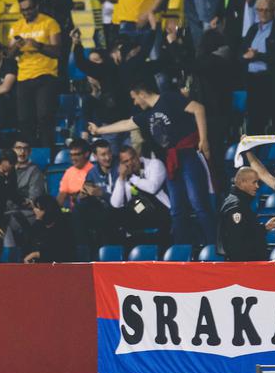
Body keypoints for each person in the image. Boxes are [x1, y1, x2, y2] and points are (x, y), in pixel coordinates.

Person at [88, 79, 216, 247]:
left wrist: (204, 139)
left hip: (188, 154)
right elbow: (126, 124)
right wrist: (99, 131)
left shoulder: (168, 98)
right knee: (177, 210)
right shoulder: (146, 115)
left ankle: (214, 247)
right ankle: (180, 251)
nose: (134, 102)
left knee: (198, 204)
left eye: (134, 98)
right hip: (171, 159)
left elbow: (199, 109)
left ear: (141, 94)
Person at [7, 0, 62, 148]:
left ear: (37, 6)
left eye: (29, 8)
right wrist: (16, 47)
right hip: (24, 77)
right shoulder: (16, 26)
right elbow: (9, 55)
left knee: (44, 118)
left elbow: (58, 51)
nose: (26, 12)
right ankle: (28, 158)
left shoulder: (50, 23)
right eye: (23, 10)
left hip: (46, 75)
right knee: (24, 120)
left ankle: (47, 155)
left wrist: (38, 46)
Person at [241, 0, 275, 134]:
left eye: (266, 10)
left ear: (273, 11)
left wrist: (258, 56)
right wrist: (246, 57)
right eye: (259, 10)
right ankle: (252, 154)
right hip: (252, 81)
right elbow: (243, 53)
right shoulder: (252, 29)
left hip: (270, 81)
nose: (262, 13)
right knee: (254, 122)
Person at [108, 144, 172, 237]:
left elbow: (152, 188)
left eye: (132, 158)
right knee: (115, 214)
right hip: (142, 209)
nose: (131, 163)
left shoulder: (154, 164)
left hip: (162, 209)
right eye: (126, 161)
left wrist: (132, 178)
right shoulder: (126, 176)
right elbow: (116, 204)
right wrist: (122, 178)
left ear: (138, 156)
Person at [219, 167, 275, 261]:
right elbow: (237, 242)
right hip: (246, 266)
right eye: (254, 182)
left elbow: (246, 232)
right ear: (242, 183)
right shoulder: (236, 206)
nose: (257, 186)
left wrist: (264, 228)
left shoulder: (240, 202)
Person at [23, 195, 77, 263]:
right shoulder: (39, 224)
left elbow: (60, 253)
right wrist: (38, 221)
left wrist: (37, 254)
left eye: (39, 208)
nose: (35, 210)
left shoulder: (62, 226)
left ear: (47, 210)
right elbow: (29, 243)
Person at [57, 138, 95, 209]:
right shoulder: (69, 172)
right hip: (74, 213)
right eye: (71, 155)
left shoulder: (94, 170)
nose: (73, 158)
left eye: (77, 154)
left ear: (86, 154)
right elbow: (62, 194)